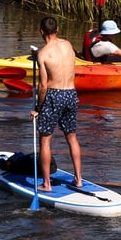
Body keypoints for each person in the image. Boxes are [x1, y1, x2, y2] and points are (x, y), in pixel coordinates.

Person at [30, 16, 82, 190]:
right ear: (57, 29)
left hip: (54, 95)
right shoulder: (68, 45)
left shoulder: (43, 54)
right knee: (71, 136)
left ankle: (46, 183)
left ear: (41, 32)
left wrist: (38, 107)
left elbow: (43, 85)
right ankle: (79, 179)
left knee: (45, 140)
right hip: (71, 93)